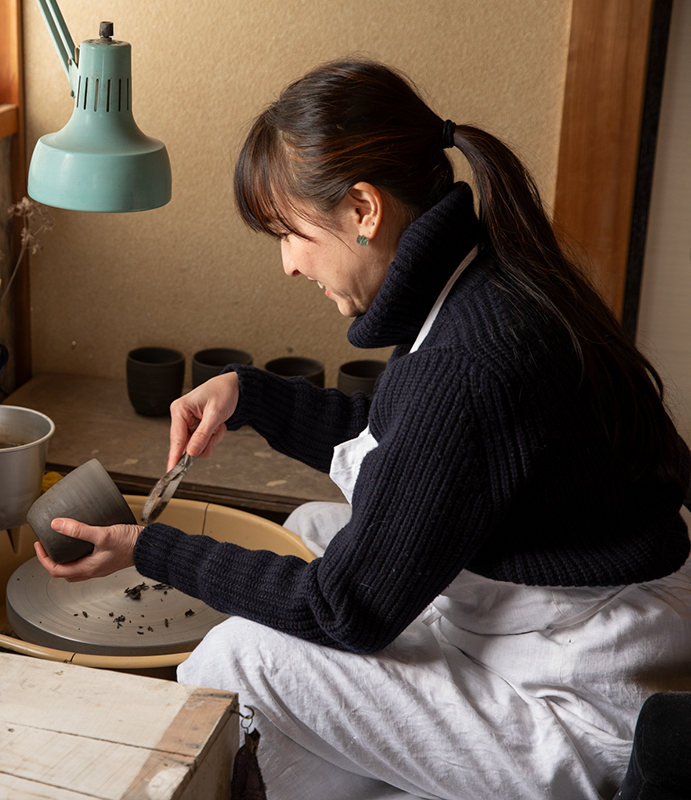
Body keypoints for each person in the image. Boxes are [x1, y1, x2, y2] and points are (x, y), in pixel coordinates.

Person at [34, 58, 691, 800]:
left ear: (363, 210)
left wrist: (150, 548)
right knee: (316, 522)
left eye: (291, 235)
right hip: (585, 623)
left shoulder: (465, 366)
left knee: (238, 659)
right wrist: (248, 396)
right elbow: (410, 447)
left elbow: (344, 610)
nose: (288, 265)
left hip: (580, 705)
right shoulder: (484, 280)